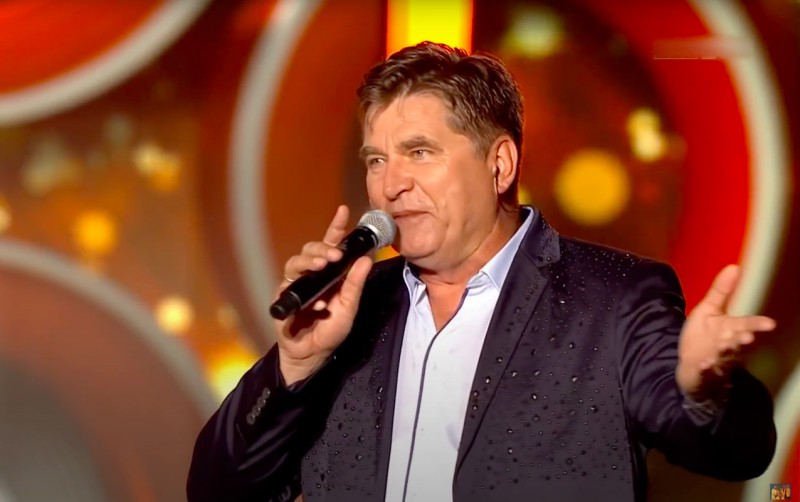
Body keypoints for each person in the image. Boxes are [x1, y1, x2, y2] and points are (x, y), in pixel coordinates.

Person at [187, 42, 777, 502]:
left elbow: (739, 453)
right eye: (376, 160)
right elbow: (218, 491)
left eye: (419, 152)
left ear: (500, 164)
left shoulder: (614, 296)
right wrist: (296, 365)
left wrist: (703, 391)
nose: (390, 185)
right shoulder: (349, 312)